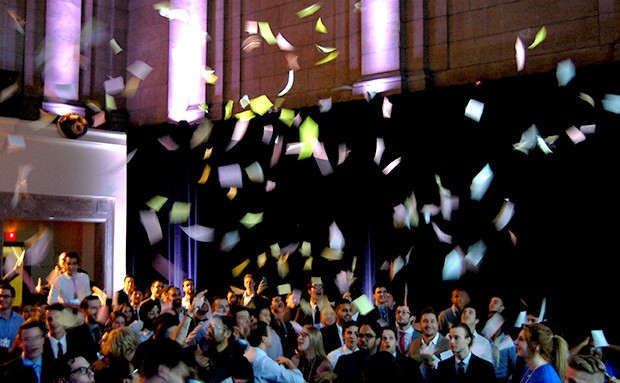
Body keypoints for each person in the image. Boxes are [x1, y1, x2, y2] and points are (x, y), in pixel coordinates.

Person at [0, 318, 54, 383]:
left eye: (37, 337)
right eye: (27, 339)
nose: (33, 343)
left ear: (43, 339)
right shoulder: (6, 371)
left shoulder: (55, 366)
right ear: (20, 342)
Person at [408, 307, 451, 383]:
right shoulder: (413, 345)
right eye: (425, 321)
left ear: (437, 323)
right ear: (420, 324)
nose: (429, 325)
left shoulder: (448, 345)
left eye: (432, 321)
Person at [66, 295, 106, 363]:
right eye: (94, 308)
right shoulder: (74, 334)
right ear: (84, 311)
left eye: (100, 307)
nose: (98, 311)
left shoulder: (107, 329)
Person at [0, 282, 25, 359]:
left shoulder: (20, 321)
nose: (2, 299)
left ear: (13, 299)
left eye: (6, 296)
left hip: (14, 360)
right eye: (0, 296)